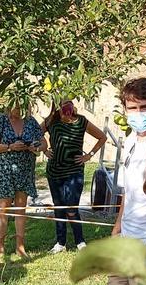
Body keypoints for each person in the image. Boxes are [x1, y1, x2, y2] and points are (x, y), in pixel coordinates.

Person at [107, 78, 146, 285]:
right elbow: (128, 191)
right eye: (133, 108)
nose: (138, 113)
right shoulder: (129, 141)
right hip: (126, 238)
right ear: (125, 110)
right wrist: (117, 227)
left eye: (144, 107)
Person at [43, 100, 106, 253]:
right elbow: (35, 133)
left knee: (71, 207)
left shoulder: (81, 121)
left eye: (68, 109)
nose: (65, 113)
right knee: (58, 207)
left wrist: (88, 156)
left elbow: (102, 137)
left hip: (74, 170)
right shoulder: (51, 120)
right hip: (54, 170)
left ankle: (80, 241)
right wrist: (44, 150)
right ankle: (60, 243)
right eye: (62, 109)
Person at [0, 105, 45, 257]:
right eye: (17, 107)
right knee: (4, 207)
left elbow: (44, 144)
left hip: (25, 170)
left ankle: (20, 247)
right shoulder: (0, 120)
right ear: (10, 105)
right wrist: (10, 147)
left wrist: (35, 147)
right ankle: (0, 247)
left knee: (21, 208)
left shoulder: (31, 121)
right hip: (5, 170)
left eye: (23, 107)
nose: (19, 110)